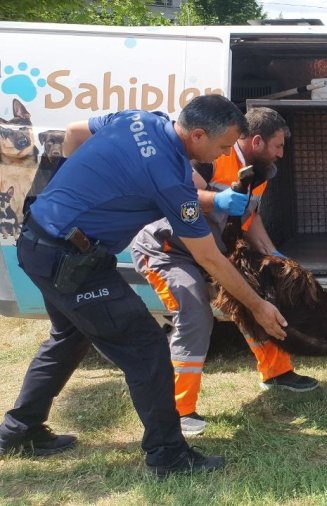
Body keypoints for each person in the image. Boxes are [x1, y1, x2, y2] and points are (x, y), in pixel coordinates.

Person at [0, 95, 288, 478]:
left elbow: (71, 132)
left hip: (38, 238)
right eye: (221, 147)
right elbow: (210, 259)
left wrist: (71, 188)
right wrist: (256, 306)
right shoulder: (170, 177)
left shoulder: (139, 118)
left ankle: (19, 431)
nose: (221, 156)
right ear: (198, 134)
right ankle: (168, 454)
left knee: (69, 336)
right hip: (70, 262)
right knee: (147, 348)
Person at [131, 107, 318, 438]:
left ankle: (277, 372)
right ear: (256, 141)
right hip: (167, 251)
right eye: (277, 146)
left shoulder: (258, 172)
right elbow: (182, 196)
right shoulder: (210, 156)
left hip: (211, 250)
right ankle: (178, 410)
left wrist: (274, 255)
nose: (280, 154)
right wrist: (215, 199)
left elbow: (249, 217)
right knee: (193, 311)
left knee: (256, 298)